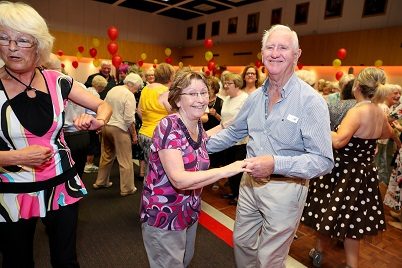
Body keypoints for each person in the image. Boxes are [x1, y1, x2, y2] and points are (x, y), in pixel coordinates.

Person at [206, 24, 334, 267]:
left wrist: (276, 164)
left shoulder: (311, 102)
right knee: (242, 243)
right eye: (270, 47)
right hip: (249, 184)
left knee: (270, 258)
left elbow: (323, 160)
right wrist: (196, 147)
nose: (275, 53)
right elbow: (234, 131)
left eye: (283, 48)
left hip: (285, 189)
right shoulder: (254, 98)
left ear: (296, 55)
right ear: (262, 54)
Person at [0, 2, 112, 267]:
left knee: (65, 260)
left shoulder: (57, 80)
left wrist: (99, 120)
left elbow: (103, 105)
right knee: (17, 261)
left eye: (22, 40)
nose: (12, 47)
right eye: (4, 37)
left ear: (39, 45)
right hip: (12, 191)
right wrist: (13, 156)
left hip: (62, 184)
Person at [140, 70, 248, 268]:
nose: (200, 99)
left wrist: (227, 125)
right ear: (178, 100)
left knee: (185, 260)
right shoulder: (168, 126)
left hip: (188, 210)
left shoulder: (195, 123)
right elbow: (179, 179)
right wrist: (228, 169)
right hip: (165, 214)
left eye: (203, 92)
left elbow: (200, 143)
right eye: (192, 93)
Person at [301, 67, 393, 268]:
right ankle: (352, 265)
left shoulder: (357, 111)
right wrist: (371, 143)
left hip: (344, 172)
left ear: (357, 87)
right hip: (365, 174)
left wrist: (322, 127)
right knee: (353, 223)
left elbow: (339, 141)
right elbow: (387, 133)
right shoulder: (379, 111)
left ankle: (318, 252)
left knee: (325, 212)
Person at [94, 73, 143, 196]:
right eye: (137, 87)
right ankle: (127, 188)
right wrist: (134, 135)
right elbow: (129, 119)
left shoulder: (113, 89)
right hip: (119, 129)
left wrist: (101, 124)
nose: (137, 90)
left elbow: (103, 107)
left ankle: (100, 182)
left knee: (106, 156)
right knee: (125, 160)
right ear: (132, 85)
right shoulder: (129, 95)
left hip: (107, 126)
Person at [137, 63, 175, 178]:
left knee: (150, 169)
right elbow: (174, 114)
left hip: (144, 133)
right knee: (158, 173)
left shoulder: (146, 88)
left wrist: (148, 122)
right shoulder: (166, 92)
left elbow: (139, 110)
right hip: (157, 135)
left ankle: (148, 193)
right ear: (170, 76)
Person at [83, 74, 108, 173]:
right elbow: (94, 111)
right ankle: (89, 165)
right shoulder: (96, 95)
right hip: (91, 121)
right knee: (93, 143)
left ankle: (86, 163)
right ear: (100, 86)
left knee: (88, 143)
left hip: (84, 120)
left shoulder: (86, 90)